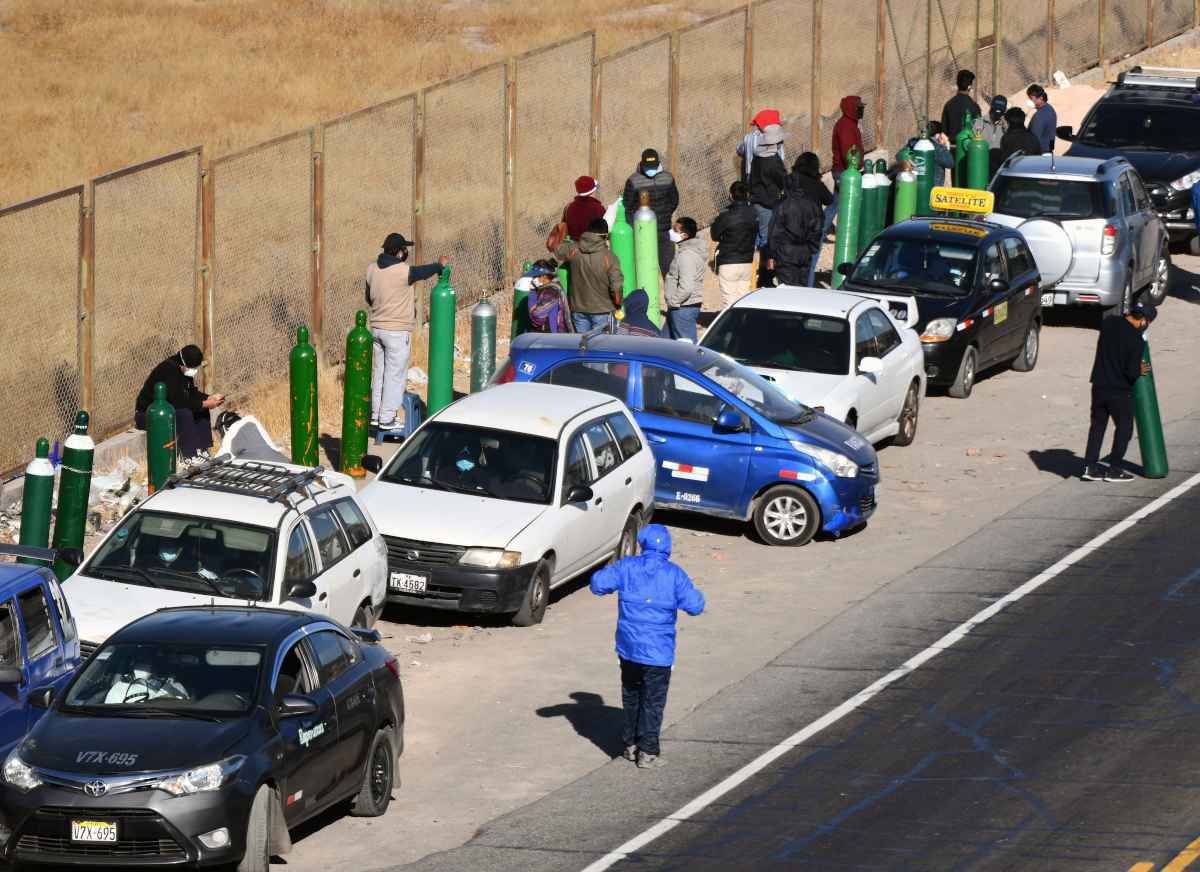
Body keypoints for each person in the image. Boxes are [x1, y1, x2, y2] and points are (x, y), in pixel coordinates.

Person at [590, 524, 704, 769]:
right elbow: (696, 606)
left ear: (643, 544)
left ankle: (630, 744)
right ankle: (648, 751)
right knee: (653, 701)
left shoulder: (627, 567)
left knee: (631, 695)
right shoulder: (674, 574)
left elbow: (597, 585)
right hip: (658, 653)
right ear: (668, 547)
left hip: (629, 648)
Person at [366, 232, 447, 433]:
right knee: (395, 375)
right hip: (397, 331)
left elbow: (368, 298)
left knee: (379, 374)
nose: (406, 252)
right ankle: (387, 418)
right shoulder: (403, 271)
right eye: (405, 249)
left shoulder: (371, 269)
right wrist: (439, 266)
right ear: (399, 252)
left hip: (376, 329)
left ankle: (376, 416)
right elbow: (422, 272)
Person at [1082, 304, 1156, 482]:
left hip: (1099, 385)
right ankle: (1114, 469)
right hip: (1119, 391)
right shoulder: (1136, 341)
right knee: (1124, 429)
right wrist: (1139, 369)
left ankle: (1090, 467)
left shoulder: (1109, 323)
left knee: (1097, 426)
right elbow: (1131, 373)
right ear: (1143, 320)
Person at [135, 344, 223, 460]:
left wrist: (209, 398)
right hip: (147, 416)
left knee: (201, 409)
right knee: (184, 413)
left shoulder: (184, 370)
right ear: (183, 364)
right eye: (193, 368)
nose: (194, 371)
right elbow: (178, 401)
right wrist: (204, 403)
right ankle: (189, 456)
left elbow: (191, 393)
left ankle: (202, 450)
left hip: (168, 411)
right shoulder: (168, 370)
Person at [553, 217, 624, 334]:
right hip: (603, 312)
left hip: (578, 310)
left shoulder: (573, 250)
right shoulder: (609, 257)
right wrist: (618, 303)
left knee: (583, 346)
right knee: (601, 348)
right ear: (605, 236)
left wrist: (560, 229)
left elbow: (555, 249)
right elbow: (616, 293)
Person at [622, 148, 680, 277]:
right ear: (642, 164)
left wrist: (665, 214)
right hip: (643, 232)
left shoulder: (667, 178)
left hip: (664, 230)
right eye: (648, 167)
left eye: (653, 166)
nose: (651, 170)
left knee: (669, 269)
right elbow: (628, 205)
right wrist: (635, 227)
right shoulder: (633, 181)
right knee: (645, 269)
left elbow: (674, 200)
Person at [767, 168, 823, 287]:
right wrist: (811, 248)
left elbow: (773, 233)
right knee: (801, 288)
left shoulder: (782, 206)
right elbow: (817, 229)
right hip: (804, 253)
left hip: (785, 254)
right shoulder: (812, 204)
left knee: (787, 290)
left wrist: (772, 254)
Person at [749, 125, 790, 287]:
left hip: (758, 202)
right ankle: (764, 278)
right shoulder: (772, 161)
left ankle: (760, 274)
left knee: (762, 237)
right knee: (767, 241)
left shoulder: (758, 157)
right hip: (768, 204)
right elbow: (783, 180)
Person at [788, 153, 835, 287]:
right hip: (812, 228)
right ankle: (806, 292)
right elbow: (829, 200)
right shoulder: (816, 184)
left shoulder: (790, 179)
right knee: (810, 263)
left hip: (791, 225)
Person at [709, 181, 758, 308]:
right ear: (747, 194)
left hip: (728, 261)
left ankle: (732, 326)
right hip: (747, 261)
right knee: (744, 299)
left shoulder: (726, 215)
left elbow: (714, 235)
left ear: (731, 195)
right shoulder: (754, 214)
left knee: (729, 300)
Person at [825, 96, 866, 244]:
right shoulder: (846, 126)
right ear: (851, 109)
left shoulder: (850, 124)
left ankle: (821, 230)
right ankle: (847, 234)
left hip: (843, 170)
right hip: (845, 171)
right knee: (850, 202)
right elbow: (848, 152)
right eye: (859, 108)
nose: (862, 110)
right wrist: (858, 165)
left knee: (836, 202)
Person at [663, 217, 705, 342]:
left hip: (683, 308)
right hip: (679, 307)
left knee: (686, 351)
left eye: (675, 230)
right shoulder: (685, 251)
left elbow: (686, 287)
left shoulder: (686, 256)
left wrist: (673, 302)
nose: (671, 232)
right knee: (663, 343)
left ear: (685, 235)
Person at [737, 108, 786, 180]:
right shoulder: (777, 138)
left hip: (752, 177)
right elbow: (781, 157)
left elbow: (739, 150)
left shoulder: (748, 137)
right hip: (772, 178)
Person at [525, 261, 569, 334]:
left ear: (544, 276)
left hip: (551, 337)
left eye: (535, 276)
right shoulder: (546, 288)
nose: (533, 279)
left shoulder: (551, 292)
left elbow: (537, 318)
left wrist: (532, 292)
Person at [941, 69, 982, 141]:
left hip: (950, 148)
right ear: (969, 87)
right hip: (969, 149)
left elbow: (944, 132)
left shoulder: (948, 105)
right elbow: (978, 131)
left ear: (957, 84)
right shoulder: (974, 107)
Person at [563, 175, 605, 242]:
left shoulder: (569, 207)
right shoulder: (598, 209)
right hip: (591, 245)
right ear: (591, 192)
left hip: (573, 245)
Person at [978, 95, 1008, 178]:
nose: (997, 113)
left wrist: (1006, 127)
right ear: (991, 107)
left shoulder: (1007, 126)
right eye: (995, 109)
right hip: (982, 167)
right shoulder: (979, 123)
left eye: (1001, 111)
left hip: (1000, 170)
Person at [1027, 84, 1057, 154]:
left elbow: (1034, 139)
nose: (1030, 101)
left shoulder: (1039, 116)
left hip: (1040, 153)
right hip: (1048, 151)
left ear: (1040, 98)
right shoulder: (1050, 108)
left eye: (1032, 98)